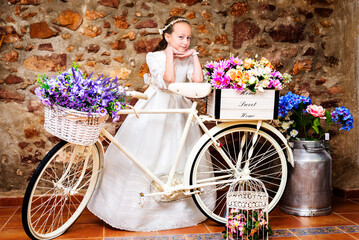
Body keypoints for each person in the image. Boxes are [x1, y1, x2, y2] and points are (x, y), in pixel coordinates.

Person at [87, 16, 207, 231]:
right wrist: (170, 55)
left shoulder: (188, 56)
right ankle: (140, 209)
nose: (185, 42)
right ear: (167, 36)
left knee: (179, 153)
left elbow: (198, 81)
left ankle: (179, 204)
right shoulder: (155, 56)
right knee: (148, 152)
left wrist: (194, 56)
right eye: (180, 37)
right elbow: (168, 80)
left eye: (188, 38)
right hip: (156, 106)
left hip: (179, 108)